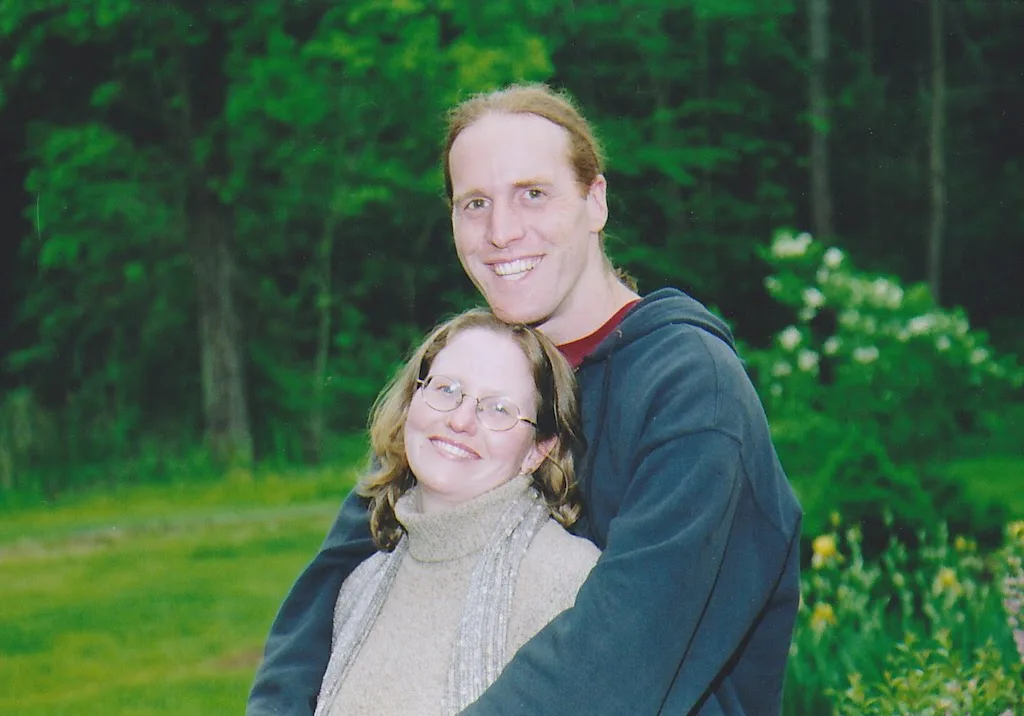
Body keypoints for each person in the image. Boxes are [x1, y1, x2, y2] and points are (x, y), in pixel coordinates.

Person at [249, 83, 802, 716]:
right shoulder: (481, 375)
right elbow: (325, 595)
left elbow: (618, 654)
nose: (501, 232)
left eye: (532, 194)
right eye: (475, 203)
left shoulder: (691, 393)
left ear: (595, 201)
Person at [313, 308, 598, 716]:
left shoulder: (570, 585)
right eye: (446, 389)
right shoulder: (362, 587)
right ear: (413, 400)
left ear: (539, 451)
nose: (461, 420)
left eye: (498, 409)